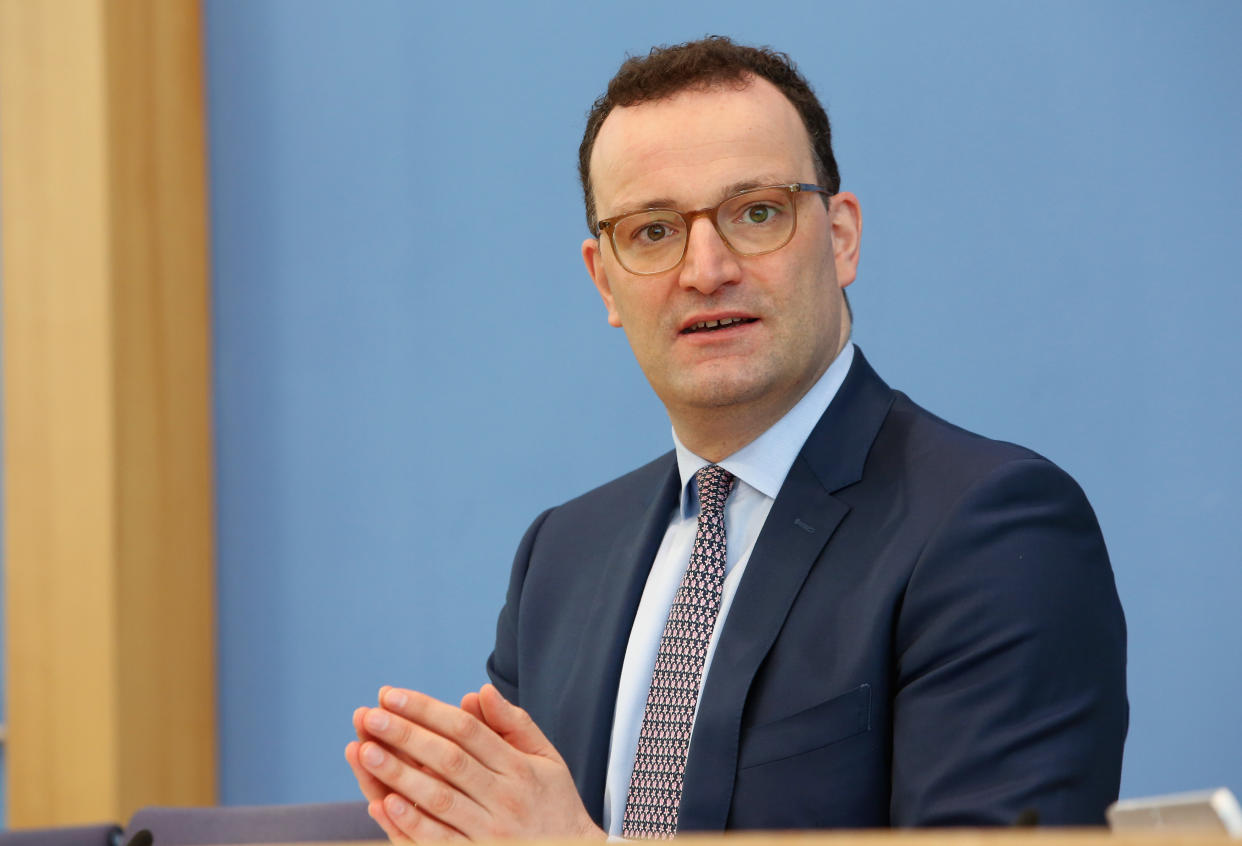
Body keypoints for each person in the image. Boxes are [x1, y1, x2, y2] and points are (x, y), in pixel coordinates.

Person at [345, 36, 1128, 841]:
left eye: (756, 213)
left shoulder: (990, 527)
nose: (705, 268)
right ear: (604, 280)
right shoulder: (560, 558)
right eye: (652, 231)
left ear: (841, 235)